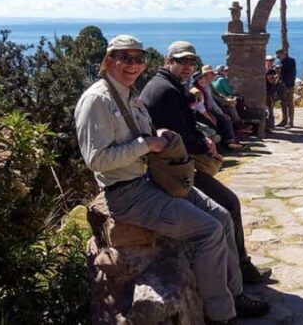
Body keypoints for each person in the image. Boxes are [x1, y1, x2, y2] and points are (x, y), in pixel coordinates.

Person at [74, 35, 266, 324]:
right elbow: (97, 160)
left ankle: (235, 294)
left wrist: (158, 135)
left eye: (138, 59)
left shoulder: (127, 93)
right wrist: (146, 145)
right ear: (109, 60)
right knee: (208, 230)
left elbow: (143, 133)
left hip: (154, 180)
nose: (133, 64)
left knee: (223, 216)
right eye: (125, 58)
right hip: (128, 193)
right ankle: (221, 314)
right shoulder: (97, 100)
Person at [141, 41, 272, 287]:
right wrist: (205, 147)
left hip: (172, 165)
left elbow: (184, 129)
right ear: (168, 61)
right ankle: (241, 271)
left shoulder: (166, 86)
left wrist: (202, 140)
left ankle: (240, 268)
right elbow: (178, 137)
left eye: (192, 61)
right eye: (181, 61)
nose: (188, 66)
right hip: (173, 171)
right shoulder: (166, 91)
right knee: (229, 204)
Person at [192, 66, 243, 151]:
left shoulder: (207, 85)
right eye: (210, 74)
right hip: (203, 112)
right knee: (224, 119)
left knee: (228, 114)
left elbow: (217, 96)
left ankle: (233, 137)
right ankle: (229, 141)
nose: (212, 75)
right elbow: (208, 103)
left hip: (208, 109)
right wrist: (220, 111)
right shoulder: (200, 90)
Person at [275, 48, 296, 128]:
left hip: (289, 85)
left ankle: (290, 122)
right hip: (282, 85)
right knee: (283, 103)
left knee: (289, 103)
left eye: (279, 55)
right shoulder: (280, 62)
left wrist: (287, 84)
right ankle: (284, 120)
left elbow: (291, 73)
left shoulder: (290, 61)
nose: (278, 57)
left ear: (283, 54)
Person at [264, 56, 277, 130]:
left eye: (271, 60)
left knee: (268, 108)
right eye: (269, 60)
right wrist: (275, 77)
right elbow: (271, 81)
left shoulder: (264, 69)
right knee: (269, 108)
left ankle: (269, 125)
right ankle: (270, 125)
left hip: (267, 90)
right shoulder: (271, 71)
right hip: (268, 91)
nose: (270, 62)